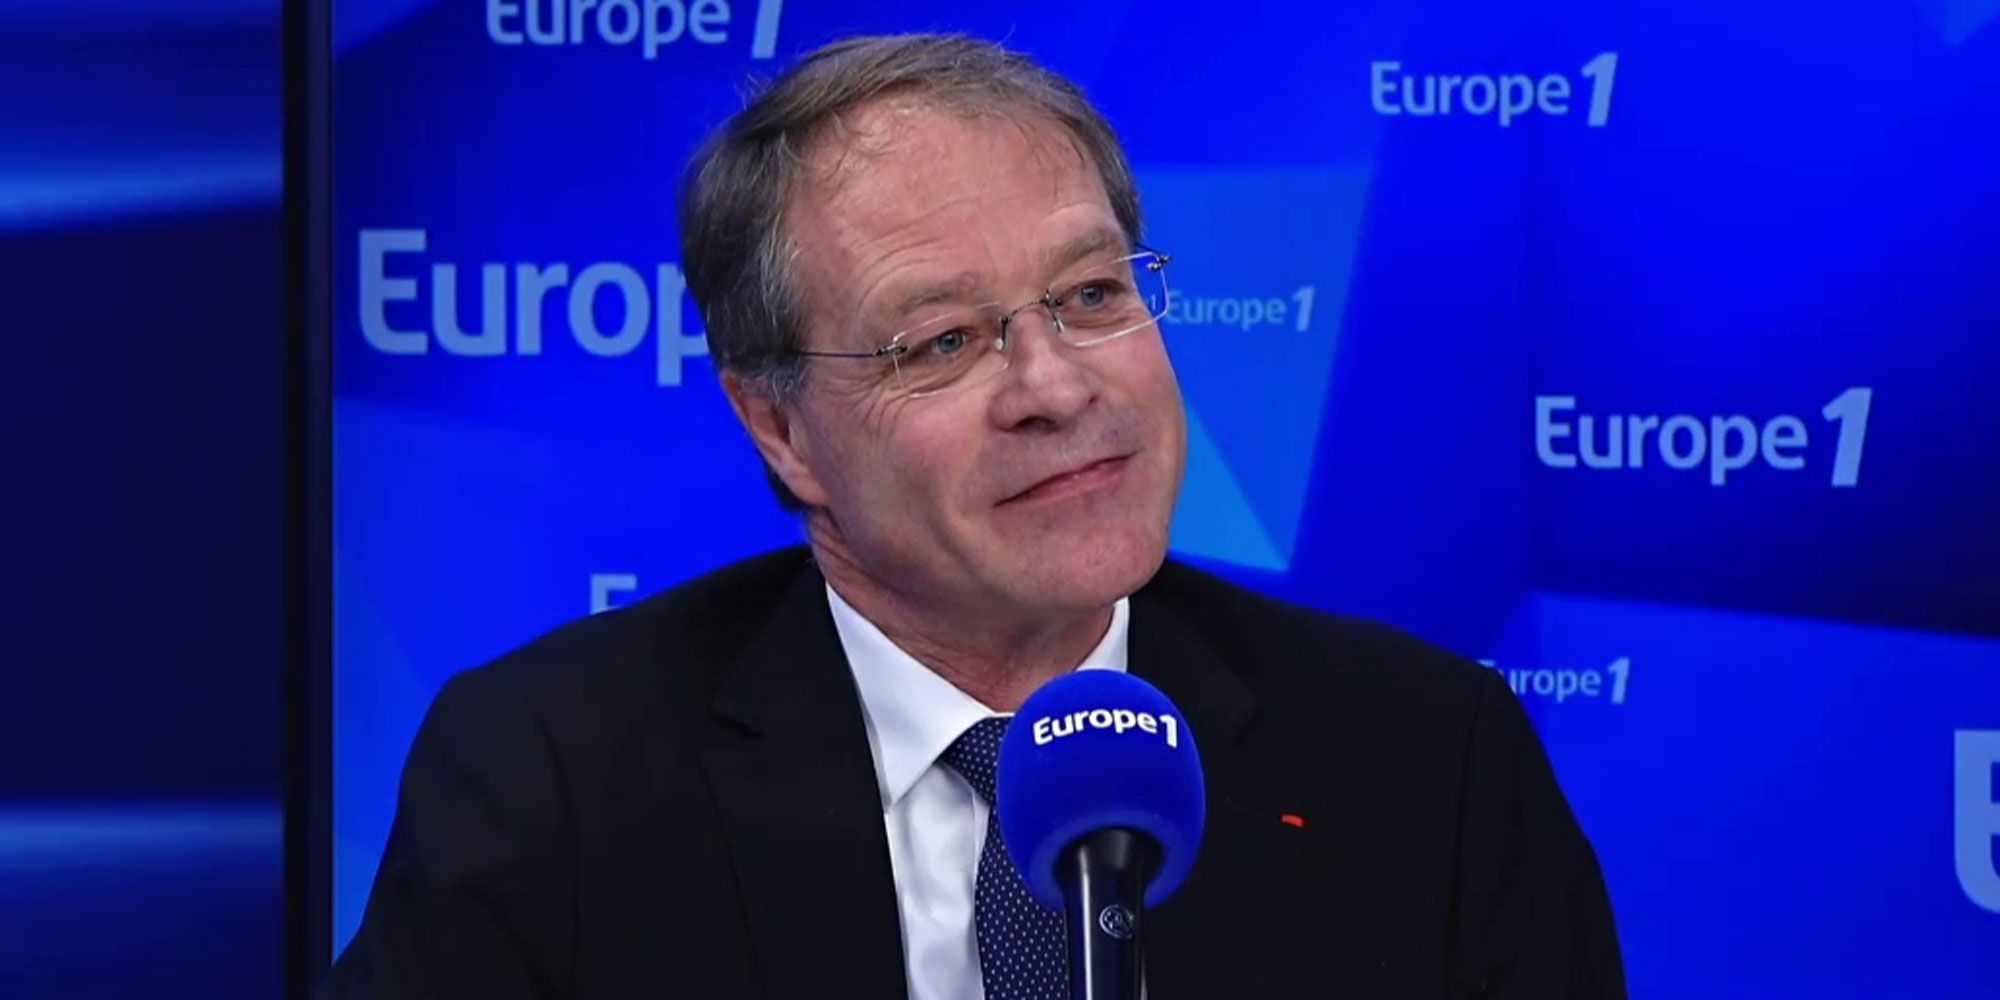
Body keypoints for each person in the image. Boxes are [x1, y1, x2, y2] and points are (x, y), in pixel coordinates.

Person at [322, 33, 1625, 1000]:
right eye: (943, 341)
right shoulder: (552, 782)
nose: (1057, 388)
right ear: (781, 429)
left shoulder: (1430, 763)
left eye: (1094, 295)